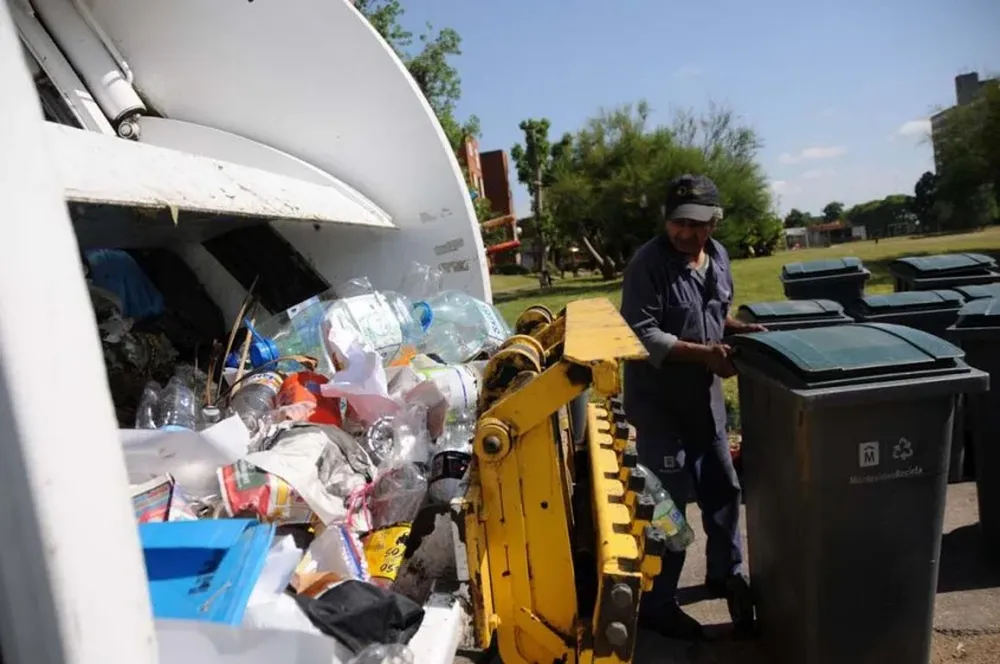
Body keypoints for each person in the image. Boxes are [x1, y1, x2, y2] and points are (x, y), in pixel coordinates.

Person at [619, 174, 764, 641]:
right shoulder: (649, 264)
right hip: (660, 410)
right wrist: (706, 355)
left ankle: (726, 574)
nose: (684, 232)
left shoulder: (717, 257)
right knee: (668, 512)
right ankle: (659, 603)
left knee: (724, 490)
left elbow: (711, 312)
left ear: (713, 224)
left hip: (706, 404)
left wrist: (738, 330)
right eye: (677, 222)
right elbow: (643, 334)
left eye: (695, 224)